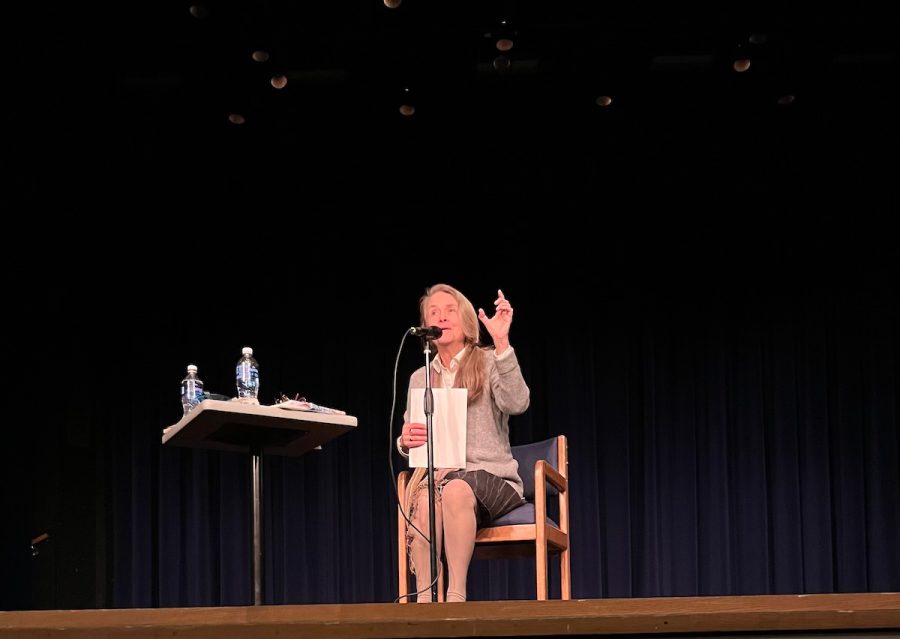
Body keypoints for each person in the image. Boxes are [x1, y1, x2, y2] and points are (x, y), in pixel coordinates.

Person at [397, 283, 530, 603]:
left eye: (449, 311)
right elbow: (412, 435)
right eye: (433, 312)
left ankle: (456, 597)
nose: (440, 317)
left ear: (466, 320)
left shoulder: (487, 361)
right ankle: (426, 601)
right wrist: (405, 441)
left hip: (493, 479)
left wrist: (501, 343)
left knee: (454, 489)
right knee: (426, 498)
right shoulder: (420, 377)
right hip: (440, 479)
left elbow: (518, 402)